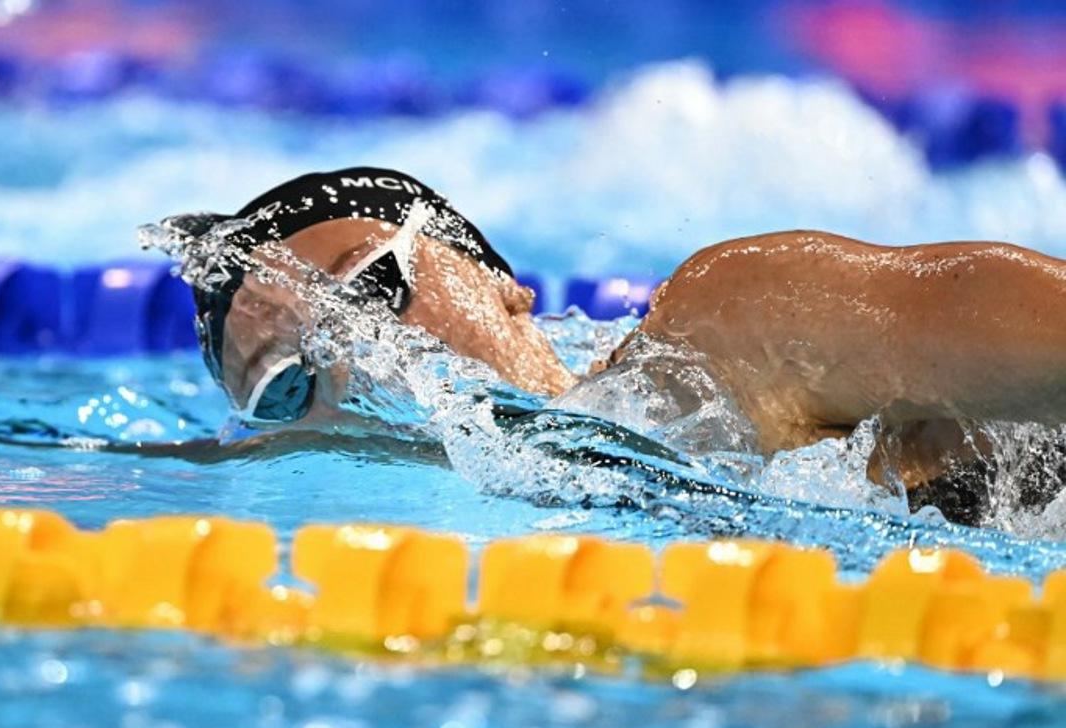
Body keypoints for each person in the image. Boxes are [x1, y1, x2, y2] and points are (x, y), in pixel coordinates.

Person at [164, 166, 1066, 523]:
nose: (350, 360)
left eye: (371, 289)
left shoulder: (729, 337)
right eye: (284, 386)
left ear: (497, 280)